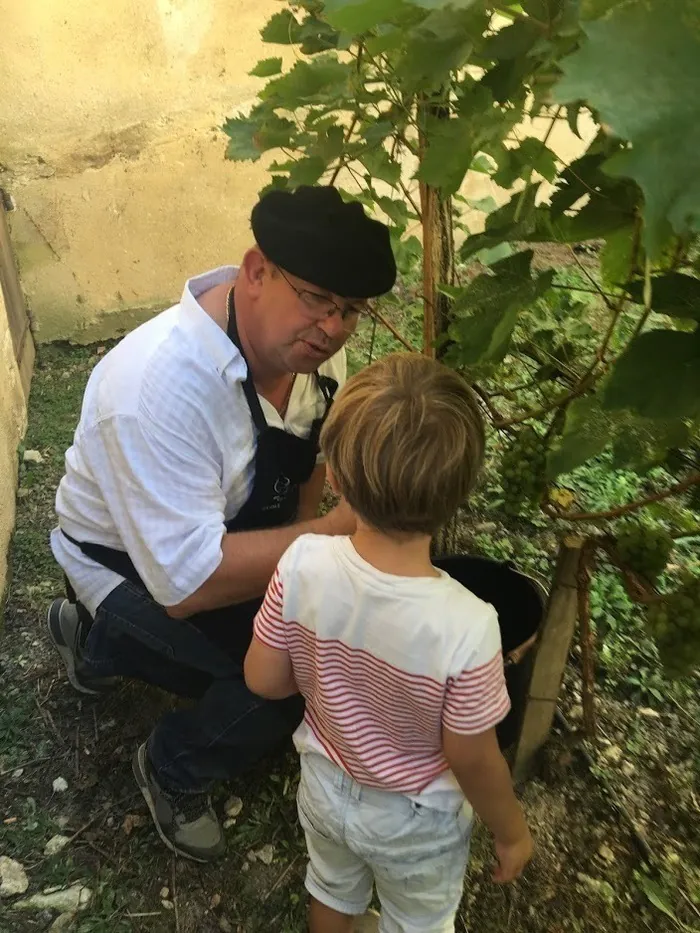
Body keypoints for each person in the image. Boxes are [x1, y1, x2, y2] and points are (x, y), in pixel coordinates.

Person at [46, 185, 397, 863]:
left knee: (311, 627)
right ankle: (171, 764)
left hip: (207, 538)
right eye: (318, 299)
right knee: (288, 674)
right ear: (256, 270)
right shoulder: (156, 389)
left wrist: (300, 566)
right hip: (125, 565)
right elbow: (185, 584)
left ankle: (90, 642)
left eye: (351, 310)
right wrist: (334, 536)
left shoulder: (309, 351)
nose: (333, 327)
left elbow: (307, 458)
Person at [244, 353, 533, 933]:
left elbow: (264, 678)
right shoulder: (471, 625)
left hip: (325, 785)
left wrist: (332, 670)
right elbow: (472, 756)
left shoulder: (301, 562)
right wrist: (512, 831)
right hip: (416, 820)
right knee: (417, 921)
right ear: (458, 493)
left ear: (342, 481)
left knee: (331, 890)